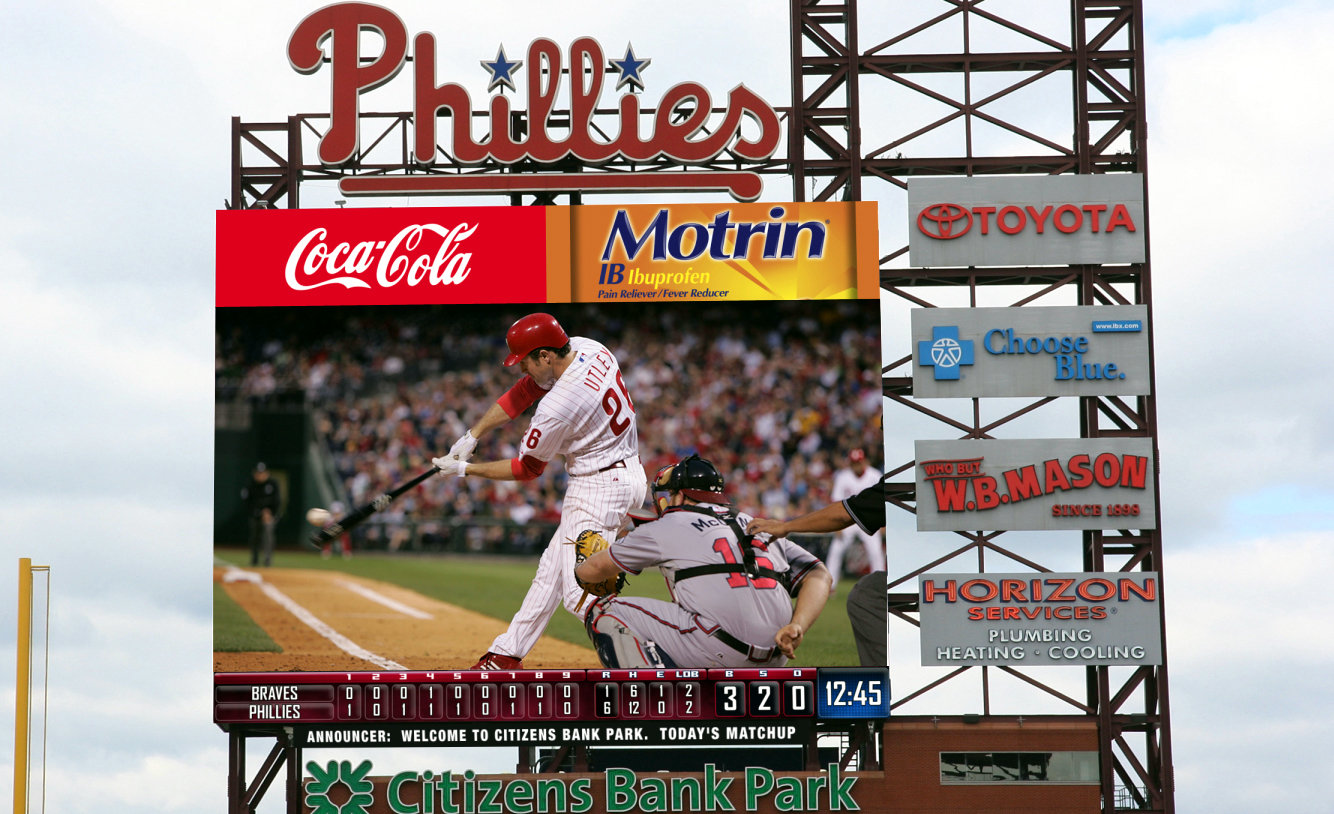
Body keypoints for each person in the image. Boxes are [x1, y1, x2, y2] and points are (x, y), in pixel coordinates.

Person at [432, 313, 646, 670]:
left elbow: (528, 469)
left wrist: (465, 469)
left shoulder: (558, 406)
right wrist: (474, 434)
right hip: (627, 473)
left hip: (597, 488)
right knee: (551, 572)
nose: (521, 369)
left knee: (582, 595)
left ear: (546, 355)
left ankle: (648, 659)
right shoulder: (589, 348)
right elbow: (524, 391)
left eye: (526, 360)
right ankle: (504, 655)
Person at [574, 455, 833, 668]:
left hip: (717, 651)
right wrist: (797, 626)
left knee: (604, 611)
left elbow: (594, 570)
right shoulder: (756, 523)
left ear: (681, 495)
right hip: (777, 657)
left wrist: (580, 568)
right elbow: (820, 575)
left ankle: (654, 705)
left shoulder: (671, 523)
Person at [748, 481, 886, 667]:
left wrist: (786, 526)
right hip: (930, 578)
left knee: (866, 595)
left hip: (920, 582)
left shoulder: (904, 475)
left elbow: (845, 514)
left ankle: (887, 681)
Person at [826, 449, 886, 587]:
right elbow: (836, 500)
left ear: (864, 461)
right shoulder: (843, 476)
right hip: (848, 520)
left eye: (858, 462)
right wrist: (836, 525)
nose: (856, 466)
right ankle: (830, 585)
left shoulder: (874, 475)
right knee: (836, 550)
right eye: (853, 463)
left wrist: (883, 524)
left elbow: (884, 501)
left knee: (875, 552)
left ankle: (879, 586)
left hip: (869, 519)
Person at [241, 462, 281, 567]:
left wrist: (270, 513)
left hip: (269, 516)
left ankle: (268, 560)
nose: (260, 475)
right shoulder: (250, 485)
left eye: (262, 473)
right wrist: (259, 512)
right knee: (254, 537)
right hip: (254, 515)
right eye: (258, 473)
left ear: (267, 473)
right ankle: (254, 559)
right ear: (254, 474)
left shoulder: (272, 484)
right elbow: (247, 503)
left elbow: (277, 501)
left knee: (268, 534)